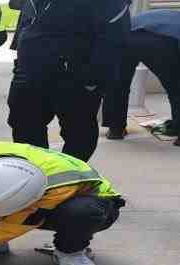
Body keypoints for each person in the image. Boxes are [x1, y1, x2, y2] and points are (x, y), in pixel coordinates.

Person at [7, 0, 131, 161]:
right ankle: (37, 174)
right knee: (23, 124)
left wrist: (92, 79)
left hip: (76, 78)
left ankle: (68, 178)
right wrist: (21, 64)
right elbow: (27, 21)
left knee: (79, 134)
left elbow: (115, 39)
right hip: (30, 73)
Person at [102, 9, 180, 146]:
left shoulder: (170, 16)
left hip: (125, 35)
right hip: (158, 41)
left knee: (118, 84)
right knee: (176, 87)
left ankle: (116, 129)